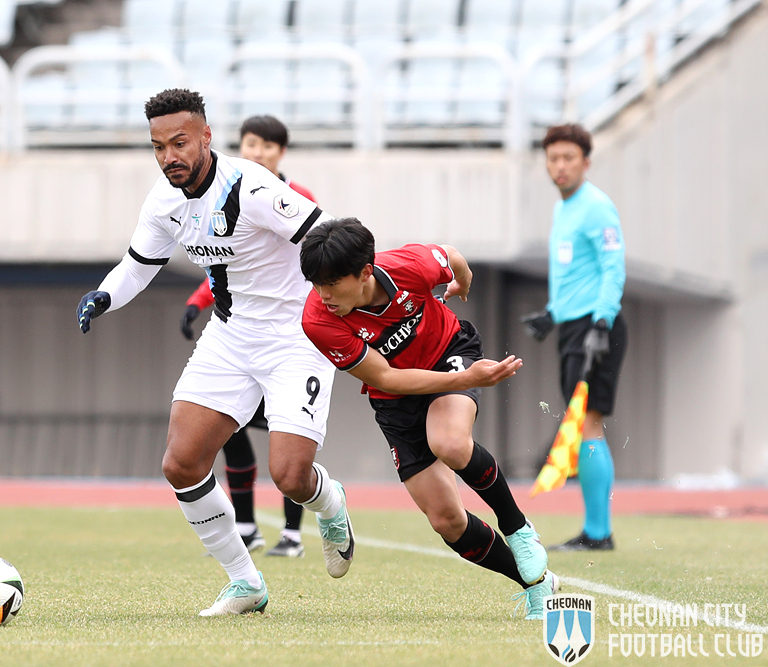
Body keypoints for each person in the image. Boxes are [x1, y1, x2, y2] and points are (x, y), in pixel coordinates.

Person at [77, 89, 354, 616]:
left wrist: (368, 300)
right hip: (229, 337)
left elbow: (327, 237)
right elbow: (138, 266)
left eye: (179, 143)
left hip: (296, 338)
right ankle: (245, 583)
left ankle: (330, 501)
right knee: (181, 463)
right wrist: (105, 295)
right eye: (158, 147)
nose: (168, 157)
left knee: (291, 477)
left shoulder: (251, 185)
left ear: (206, 136)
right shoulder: (163, 201)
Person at [299, 217, 558, 620]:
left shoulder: (410, 267)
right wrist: (468, 379)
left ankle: (518, 528)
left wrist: (463, 283)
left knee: (449, 443)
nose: (323, 294)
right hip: (395, 397)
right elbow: (386, 377)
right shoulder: (318, 319)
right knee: (446, 520)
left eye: (332, 283)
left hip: (448, 352)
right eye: (316, 283)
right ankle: (537, 585)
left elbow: (453, 258)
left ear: (365, 272)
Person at [179, 115, 313, 559]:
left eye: (268, 146)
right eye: (251, 144)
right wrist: (197, 303)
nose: (258, 153)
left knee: (288, 442)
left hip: (287, 338)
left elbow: (322, 252)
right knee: (224, 428)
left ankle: (292, 533)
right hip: (239, 338)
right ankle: (247, 526)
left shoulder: (296, 198)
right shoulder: (222, 195)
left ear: (282, 153)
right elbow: (225, 265)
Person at [520, 123, 627, 552]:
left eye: (568, 158)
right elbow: (576, 276)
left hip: (595, 328)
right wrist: (553, 314)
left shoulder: (596, 207)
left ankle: (598, 534)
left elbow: (612, 268)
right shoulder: (563, 208)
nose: (560, 166)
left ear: (586, 162)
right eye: (553, 158)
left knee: (587, 422)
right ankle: (596, 531)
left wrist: (601, 323)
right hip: (574, 326)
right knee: (582, 423)